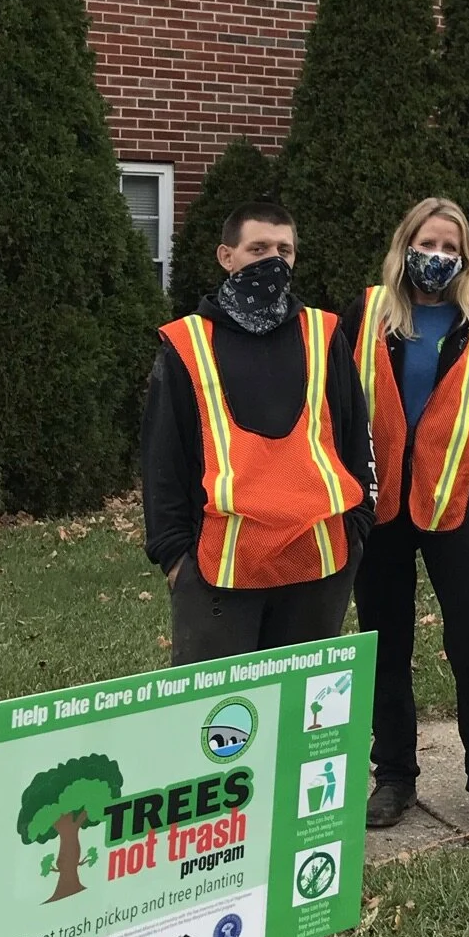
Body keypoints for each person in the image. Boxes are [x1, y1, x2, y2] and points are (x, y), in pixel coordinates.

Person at [344, 198, 469, 837]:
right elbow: (338, 411)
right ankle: (393, 776)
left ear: (465, 258)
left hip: (462, 501)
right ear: (406, 245)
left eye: (452, 249)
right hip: (381, 505)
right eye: (430, 243)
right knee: (385, 641)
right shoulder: (368, 314)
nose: (440, 258)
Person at [142, 202, 374, 665]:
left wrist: (358, 525)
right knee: (217, 725)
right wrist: (174, 559)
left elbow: (355, 435)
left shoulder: (324, 333)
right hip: (219, 571)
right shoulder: (187, 342)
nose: (273, 260)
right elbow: (161, 458)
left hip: (320, 562)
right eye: (258, 248)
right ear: (226, 257)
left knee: (301, 728)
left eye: (284, 249)